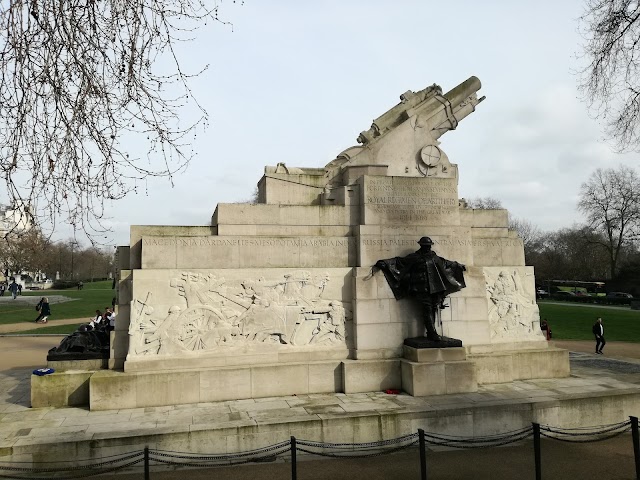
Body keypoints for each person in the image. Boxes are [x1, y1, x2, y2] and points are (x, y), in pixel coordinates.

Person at [375, 236, 466, 342]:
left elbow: (445, 263)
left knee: (433, 309)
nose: (428, 248)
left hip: (435, 288)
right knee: (427, 309)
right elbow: (400, 262)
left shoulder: (434, 257)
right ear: (421, 246)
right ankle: (432, 333)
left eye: (429, 246)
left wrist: (458, 266)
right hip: (421, 288)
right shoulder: (415, 257)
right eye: (425, 246)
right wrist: (385, 263)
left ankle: (430, 332)